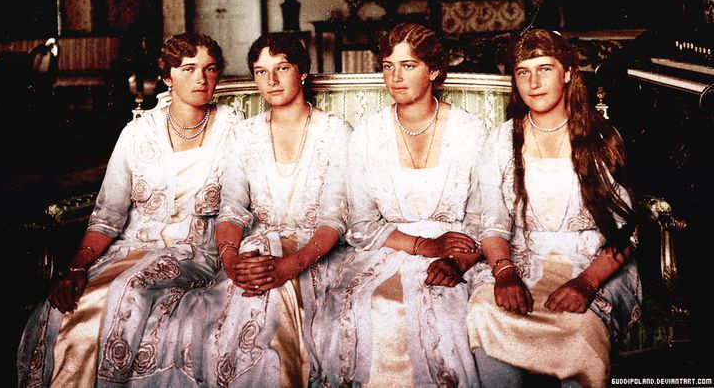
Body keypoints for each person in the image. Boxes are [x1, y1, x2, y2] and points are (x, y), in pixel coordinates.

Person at [17, 33, 244, 387]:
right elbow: (108, 214)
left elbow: (240, 207)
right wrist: (77, 266)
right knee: (75, 307)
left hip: (196, 251)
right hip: (131, 247)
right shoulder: (137, 133)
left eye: (210, 69)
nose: (201, 78)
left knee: (129, 291)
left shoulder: (236, 129)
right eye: (188, 69)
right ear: (167, 77)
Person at [171, 32, 351, 387]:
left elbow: (336, 217)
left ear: (302, 72)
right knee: (238, 302)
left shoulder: (335, 132)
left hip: (313, 255)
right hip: (257, 251)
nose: (271, 80)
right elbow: (232, 211)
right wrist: (231, 260)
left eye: (282, 68)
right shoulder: (243, 135)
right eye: (260, 71)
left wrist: (291, 265)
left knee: (274, 302)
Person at [311, 22, 486, 387]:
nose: (395, 76)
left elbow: (484, 218)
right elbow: (360, 224)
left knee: (441, 316)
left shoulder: (470, 131)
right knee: (358, 312)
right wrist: (423, 246)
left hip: (455, 255)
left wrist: (454, 260)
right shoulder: (367, 134)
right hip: (385, 248)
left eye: (409, 65)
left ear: (434, 70)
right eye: (388, 65)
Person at [465, 29, 642, 388]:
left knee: (578, 329)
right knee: (486, 313)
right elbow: (493, 224)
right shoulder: (501, 140)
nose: (533, 82)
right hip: (521, 258)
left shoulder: (602, 136)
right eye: (523, 72)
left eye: (545, 69)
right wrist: (504, 273)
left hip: (593, 263)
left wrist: (587, 283)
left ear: (567, 73)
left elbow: (626, 232)